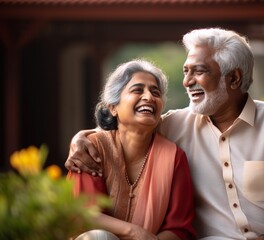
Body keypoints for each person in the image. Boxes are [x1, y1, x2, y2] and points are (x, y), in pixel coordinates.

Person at [66, 28, 264, 240]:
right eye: (185, 71)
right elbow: (125, 126)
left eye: (199, 71)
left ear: (234, 79)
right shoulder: (177, 124)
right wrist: (82, 139)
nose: (186, 81)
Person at [67, 59, 196, 240]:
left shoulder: (173, 156)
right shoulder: (91, 148)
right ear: (113, 107)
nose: (149, 97)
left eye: (155, 92)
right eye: (137, 90)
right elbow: (85, 214)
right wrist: (134, 232)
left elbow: (180, 229)